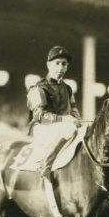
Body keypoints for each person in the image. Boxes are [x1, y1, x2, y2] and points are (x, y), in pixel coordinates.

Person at [26, 46, 82, 180]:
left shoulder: (68, 89)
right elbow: (40, 116)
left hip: (63, 128)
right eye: (57, 63)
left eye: (64, 64)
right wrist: (65, 120)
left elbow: (73, 110)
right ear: (48, 65)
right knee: (70, 129)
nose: (61, 67)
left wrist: (78, 120)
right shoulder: (39, 87)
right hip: (42, 127)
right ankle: (45, 164)